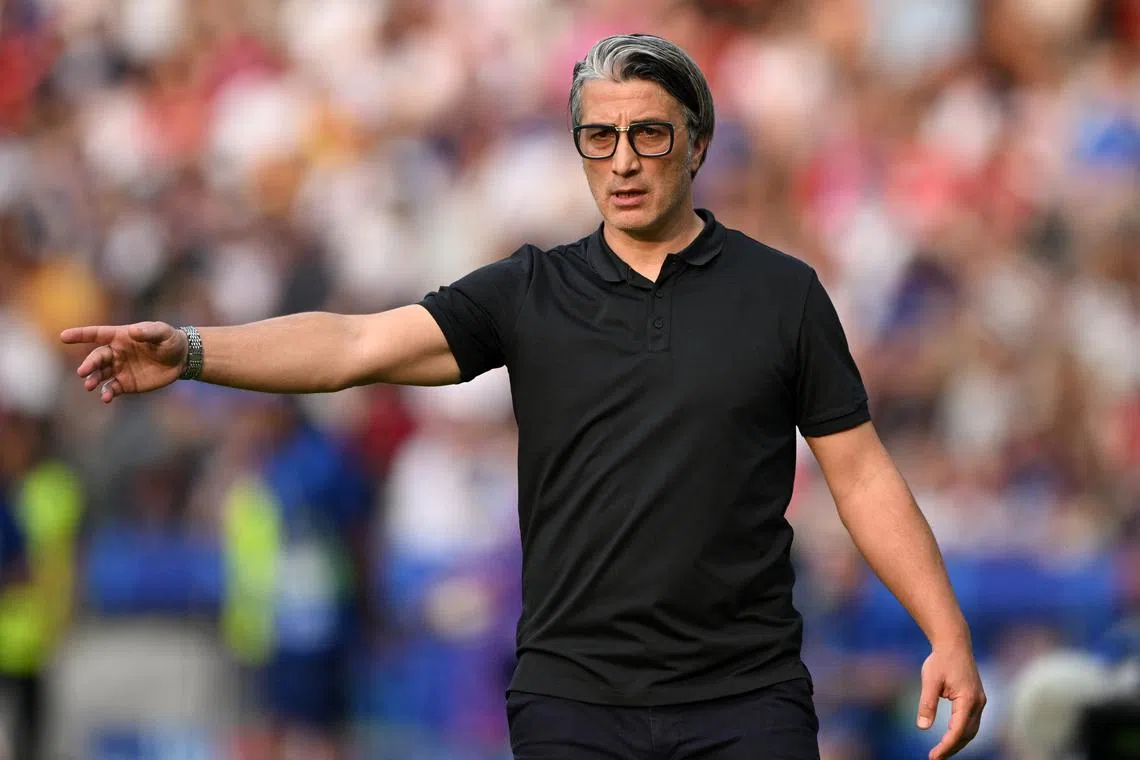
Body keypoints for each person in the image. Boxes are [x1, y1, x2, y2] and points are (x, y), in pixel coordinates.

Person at [61, 34, 985, 760]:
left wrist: (945, 630)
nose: (623, 161)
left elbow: (860, 475)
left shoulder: (782, 294)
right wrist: (191, 350)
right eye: (599, 138)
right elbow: (354, 344)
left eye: (650, 133)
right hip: (574, 700)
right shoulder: (531, 291)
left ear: (697, 143)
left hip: (746, 698)